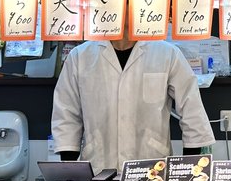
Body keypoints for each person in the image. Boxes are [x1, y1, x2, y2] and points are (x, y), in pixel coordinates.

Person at [51, 11, 215, 172]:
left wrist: (189, 173)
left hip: (152, 168)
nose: (123, 8)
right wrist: (70, 171)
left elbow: (192, 112)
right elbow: (66, 115)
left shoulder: (167, 54)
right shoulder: (80, 56)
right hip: (98, 167)